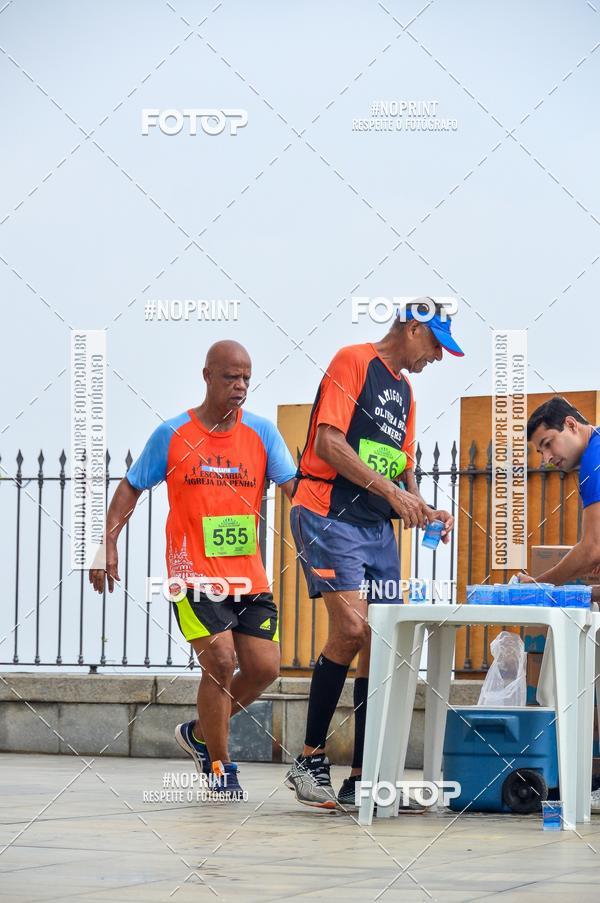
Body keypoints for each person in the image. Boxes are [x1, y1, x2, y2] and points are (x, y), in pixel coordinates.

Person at [89, 341, 296, 799]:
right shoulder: (173, 433)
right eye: (229, 377)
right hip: (192, 573)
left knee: (264, 668)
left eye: (246, 377)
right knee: (221, 662)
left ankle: (201, 732)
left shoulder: (262, 433)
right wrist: (107, 542)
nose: (239, 385)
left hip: (248, 575)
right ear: (207, 376)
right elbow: (130, 487)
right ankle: (221, 767)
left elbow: (296, 489)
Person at [286, 299, 464, 809]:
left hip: (377, 527)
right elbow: (327, 443)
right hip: (327, 513)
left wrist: (423, 507)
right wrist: (393, 494)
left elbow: (403, 465)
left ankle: (361, 778)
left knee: (379, 641)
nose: (437, 357)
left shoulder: (405, 391)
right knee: (350, 628)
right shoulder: (353, 360)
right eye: (435, 345)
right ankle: (309, 759)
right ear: (412, 329)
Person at [521, 396, 600, 584]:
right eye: (541, 452)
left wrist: (537, 586)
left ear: (571, 425)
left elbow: (592, 550)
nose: (547, 458)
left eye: (548, 443)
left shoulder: (595, 459)